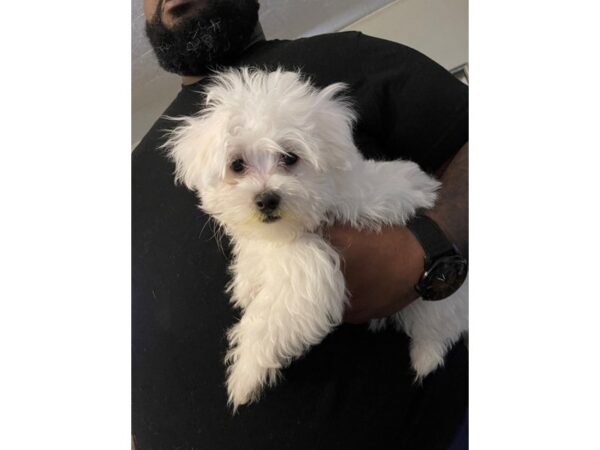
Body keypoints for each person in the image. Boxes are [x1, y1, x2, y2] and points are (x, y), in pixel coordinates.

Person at [133, 1, 468, 449]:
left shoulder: (348, 63)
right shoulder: (135, 166)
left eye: (288, 159)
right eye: (238, 166)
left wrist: (430, 243)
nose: (266, 187)